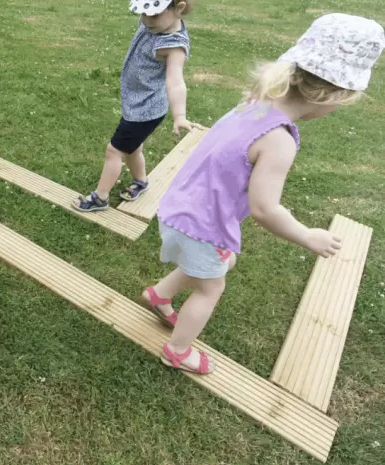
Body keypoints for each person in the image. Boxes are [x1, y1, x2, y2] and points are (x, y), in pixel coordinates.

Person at [143, 13, 384, 374]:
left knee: (218, 264)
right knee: (210, 288)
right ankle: (177, 350)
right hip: (202, 224)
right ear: (331, 95)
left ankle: (159, 295)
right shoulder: (278, 141)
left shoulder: (254, 102)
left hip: (183, 205)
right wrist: (307, 236)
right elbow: (264, 209)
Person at [73, 0, 199, 212]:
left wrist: (179, 115)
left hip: (145, 111)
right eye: (142, 13)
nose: (146, 20)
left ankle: (100, 198)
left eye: (153, 14)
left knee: (114, 151)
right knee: (133, 147)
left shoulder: (173, 46)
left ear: (178, 8)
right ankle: (141, 181)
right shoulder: (156, 24)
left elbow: (176, 82)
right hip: (137, 103)